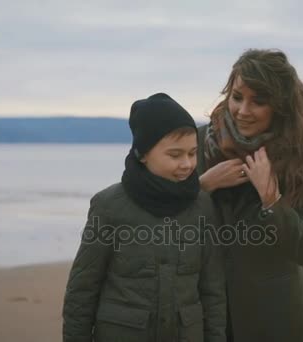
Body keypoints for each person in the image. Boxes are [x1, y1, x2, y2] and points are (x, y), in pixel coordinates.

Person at [63, 93, 226, 342]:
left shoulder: (202, 206)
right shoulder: (109, 206)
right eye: (175, 155)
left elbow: (213, 290)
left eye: (193, 153)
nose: (187, 163)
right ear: (142, 154)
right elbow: (82, 290)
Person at [196, 49, 303, 341]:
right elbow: (160, 221)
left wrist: (273, 201)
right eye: (237, 96)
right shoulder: (196, 144)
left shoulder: (295, 161)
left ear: (279, 107)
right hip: (203, 310)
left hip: (272, 317)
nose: (243, 110)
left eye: (259, 101)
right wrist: (202, 187)